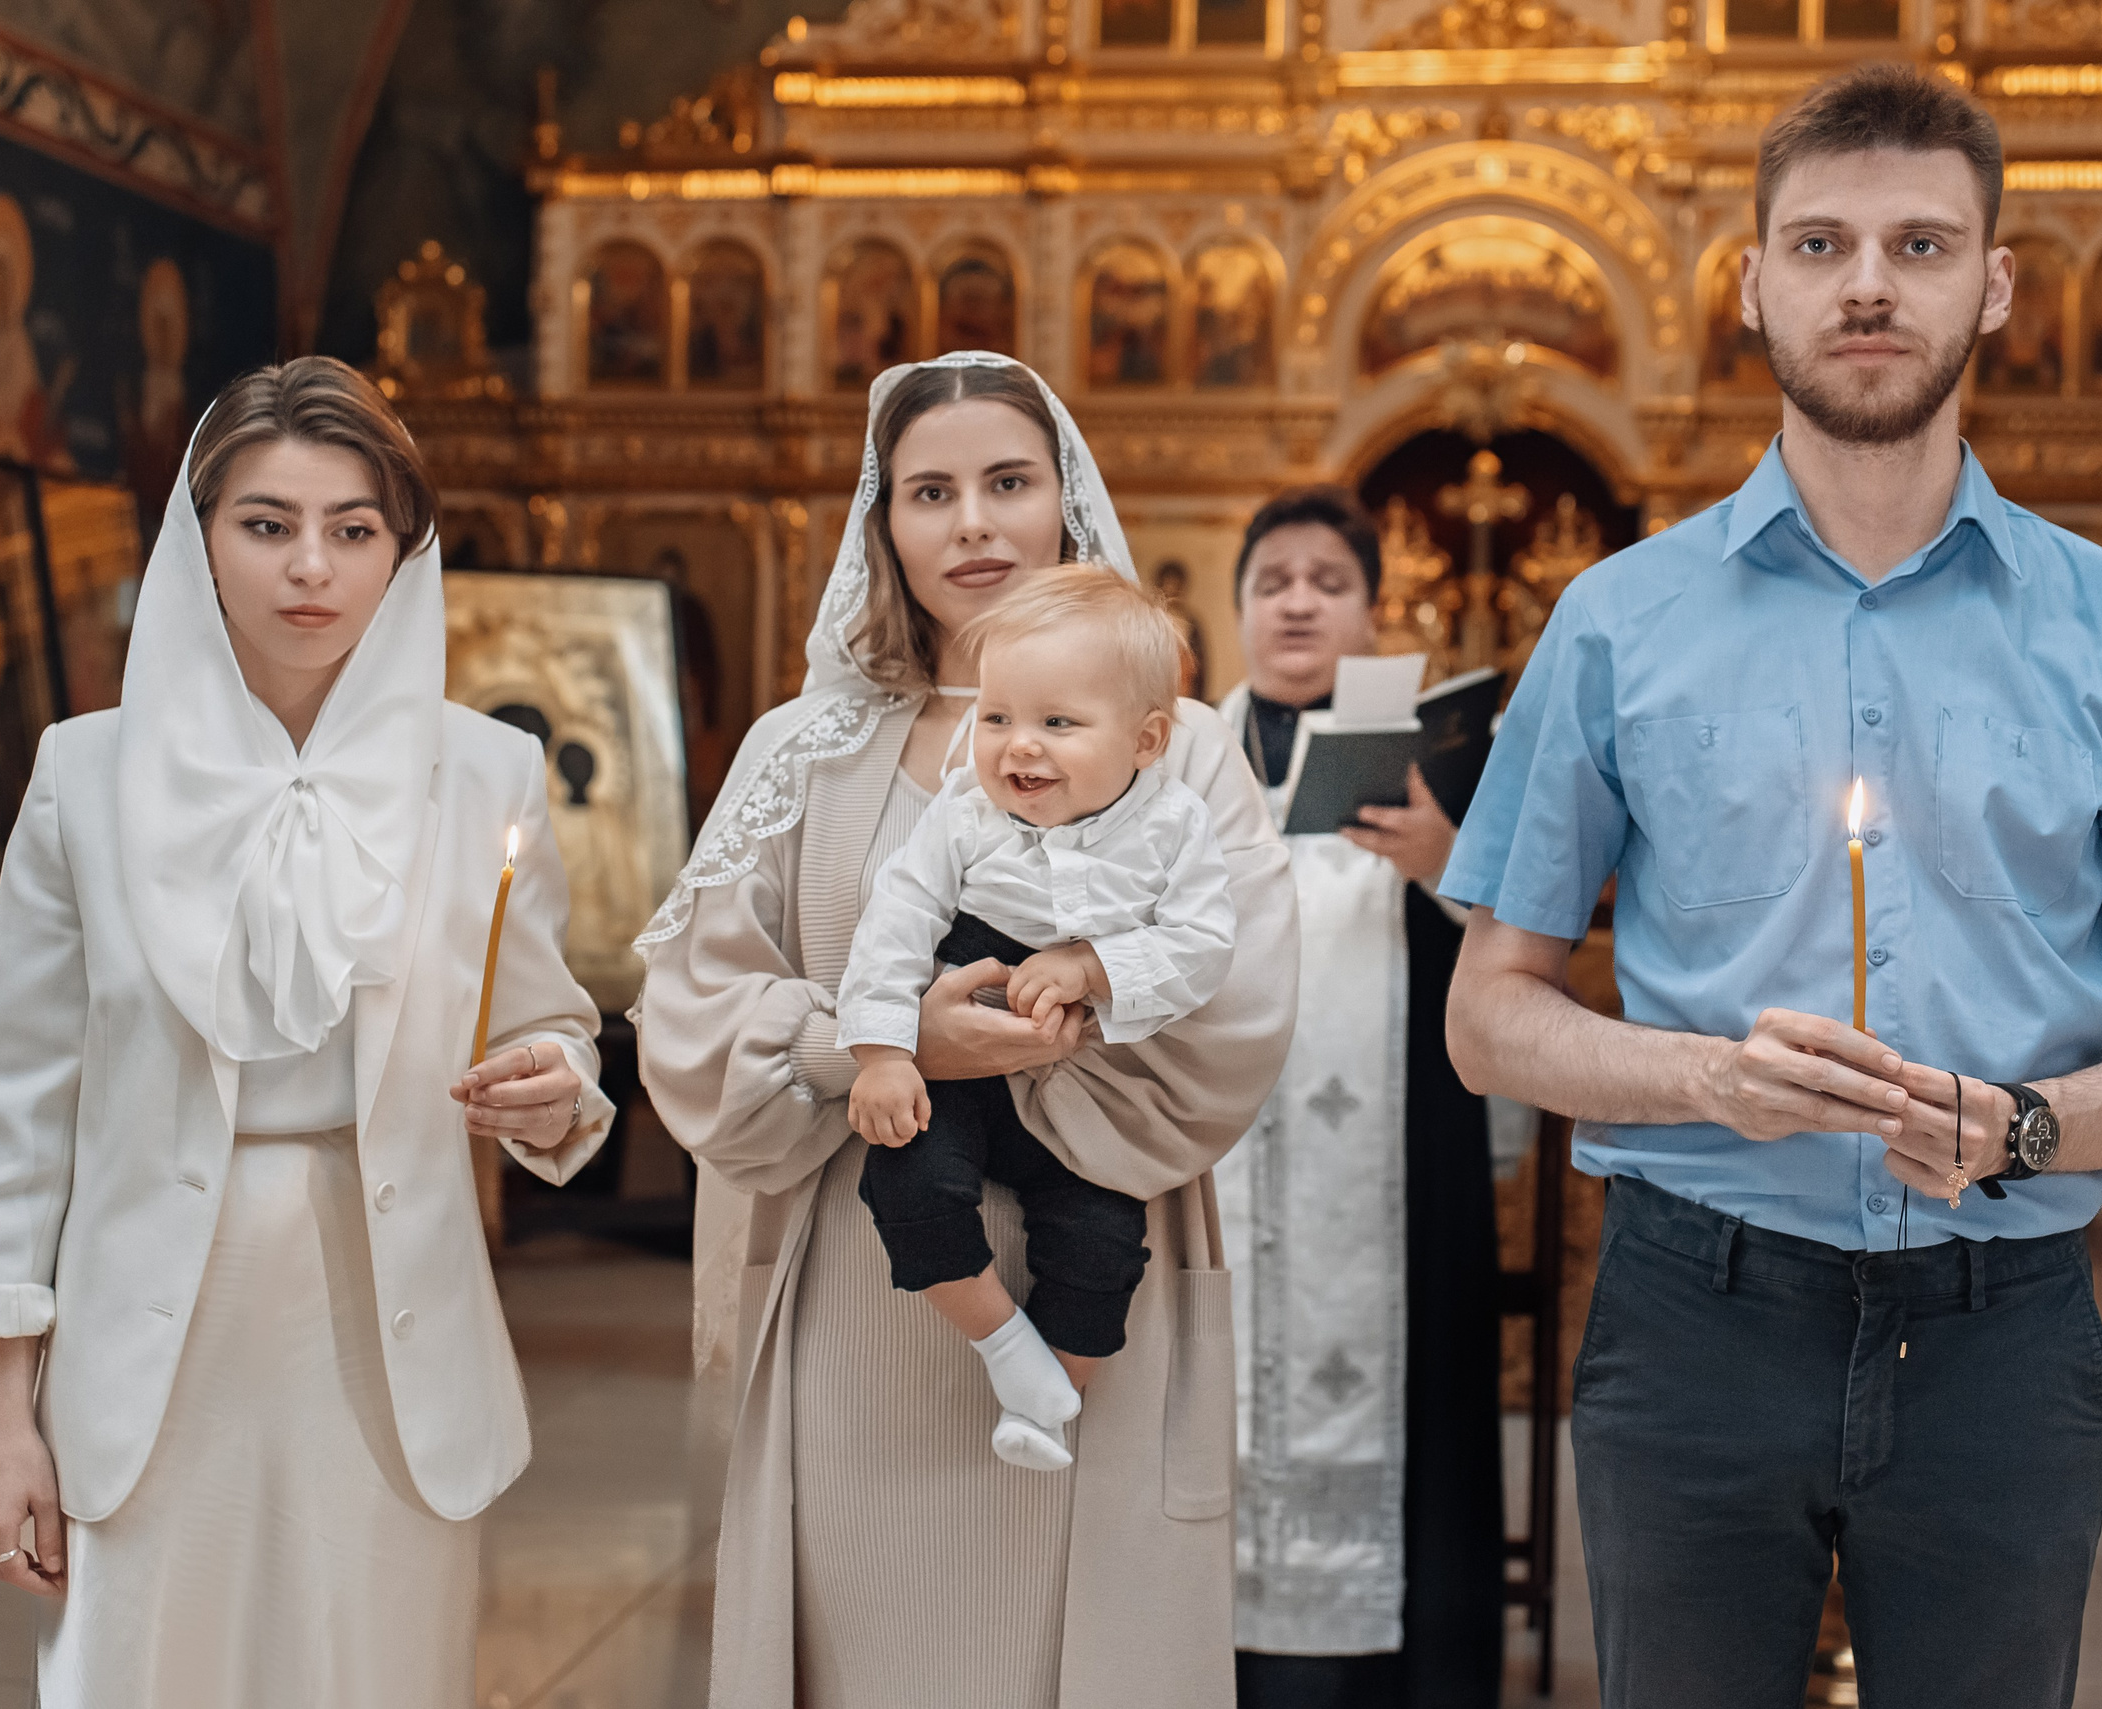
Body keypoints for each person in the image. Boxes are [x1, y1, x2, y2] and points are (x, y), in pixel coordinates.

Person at [1442, 66, 2102, 1709]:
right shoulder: (1617, 623)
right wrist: (1709, 1079)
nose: (1869, 286)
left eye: (1919, 245)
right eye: (1820, 244)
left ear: (1995, 284)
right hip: (1698, 1308)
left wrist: (2022, 1125)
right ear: (1751, 282)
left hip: (2001, 1322)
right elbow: (1489, 1018)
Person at [0, 356, 616, 1707]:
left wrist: (558, 1083)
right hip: (146, 1344)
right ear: (198, 541)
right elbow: (15, 1106)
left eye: (352, 528)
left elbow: (544, 1014)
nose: (311, 565)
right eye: (267, 523)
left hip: (386, 1335)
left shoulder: (484, 771)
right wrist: (1, 1412)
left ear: (400, 551)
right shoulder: (86, 774)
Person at [634, 350, 1295, 1709]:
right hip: (866, 1290)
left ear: (1068, 498)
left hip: (1096, 1261)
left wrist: (1069, 1002)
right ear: (882, 522)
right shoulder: (800, 751)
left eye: (1009, 481)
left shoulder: (1179, 746)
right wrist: (878, 1045)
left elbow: (1239, 1001)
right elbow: (695, 1015)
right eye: (929, 491)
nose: (974, 523)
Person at [840, 565, 1237, 1472]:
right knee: (904, 1179)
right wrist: (883, 1053)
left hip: (1093, 1081)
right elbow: (895, 921)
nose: (1019, 746)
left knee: (1103, 1243)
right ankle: (1002, 1342)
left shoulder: (1175, 824)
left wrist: (1093, 966)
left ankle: (1051, 1394)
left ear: (1146, 739)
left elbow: (1206, 945)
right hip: (966, 1035)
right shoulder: (964, 813)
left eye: (1058, 722)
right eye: (997, 717)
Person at [1214, 486, 1505, 1709]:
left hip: (1395, 1157)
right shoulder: (1175, 762)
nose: (1297, 602)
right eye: (1272, 580)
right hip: (1212, 1166)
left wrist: (1446, 860)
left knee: (1412, 1398)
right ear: (1236, 607)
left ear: (1371, 611)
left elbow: (1523, 940)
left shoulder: (1440, 763)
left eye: (1328, 582)